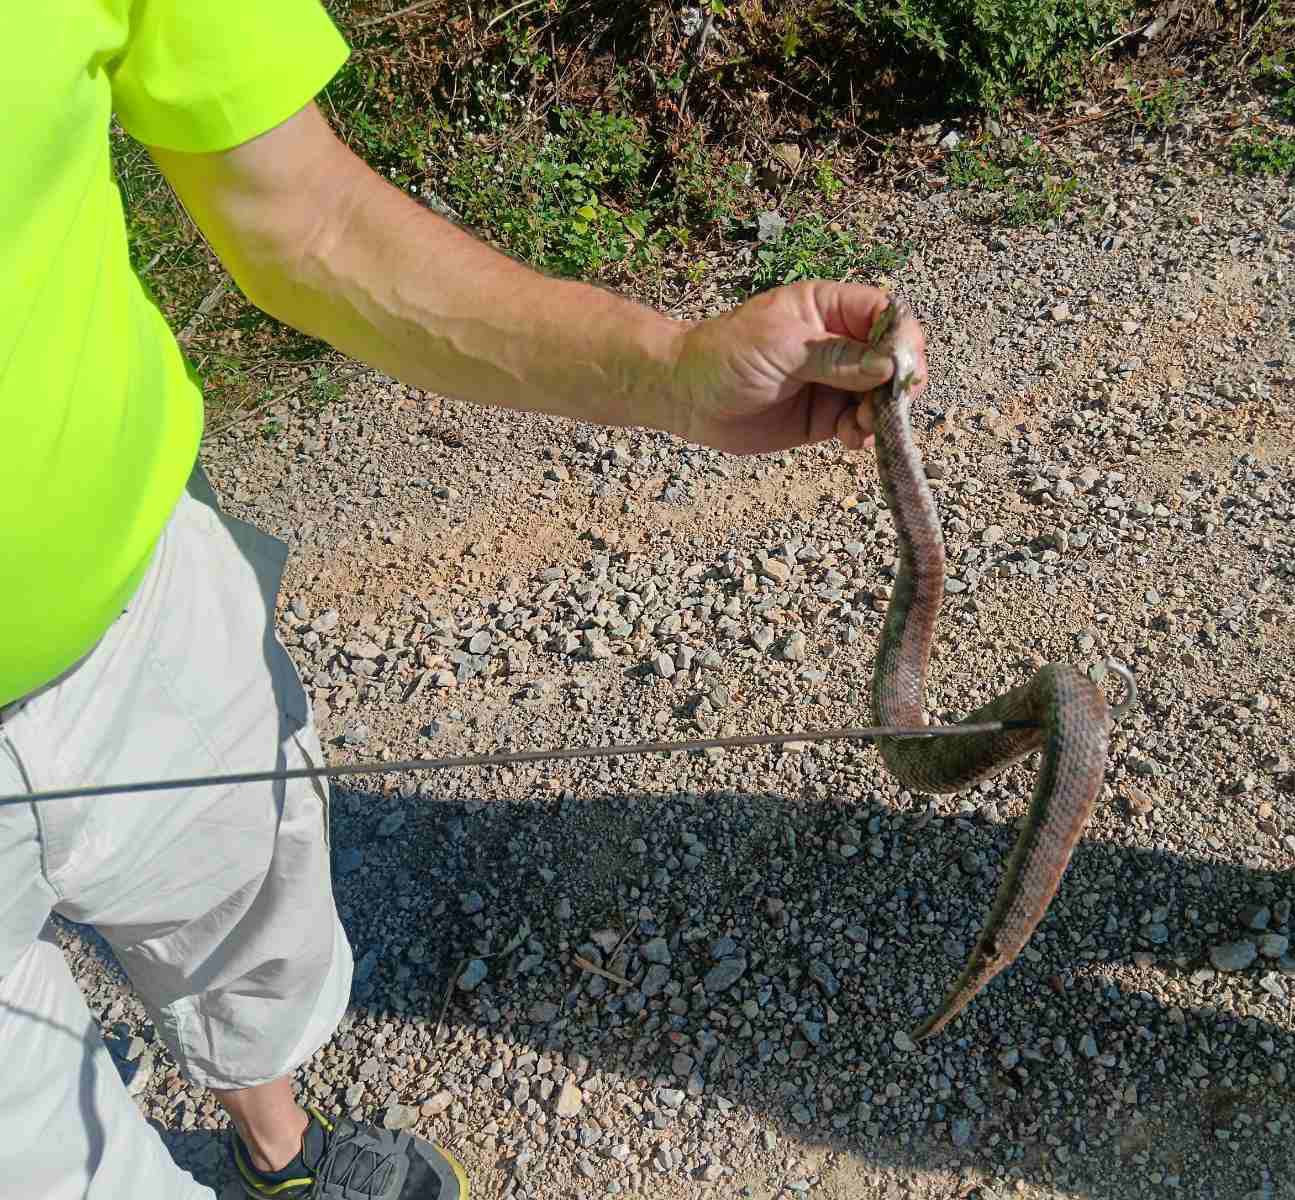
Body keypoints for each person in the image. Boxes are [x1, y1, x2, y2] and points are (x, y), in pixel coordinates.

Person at [0, 3, 926, 1198]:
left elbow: (306, 217)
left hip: (145, 588)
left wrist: (673, 370)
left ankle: (281, 1161)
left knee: (246, 927)